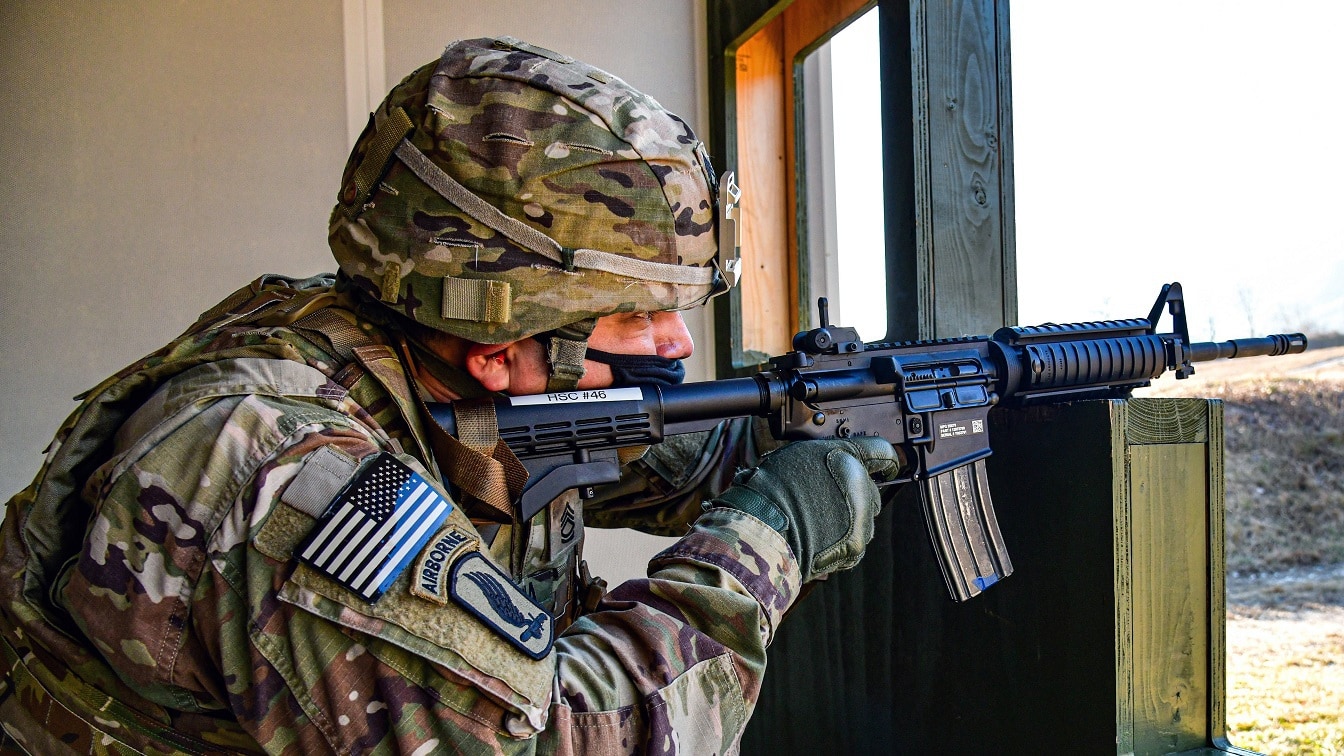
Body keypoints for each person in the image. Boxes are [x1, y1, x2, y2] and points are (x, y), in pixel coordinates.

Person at [0, 37, 900, 754]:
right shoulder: (282, 476)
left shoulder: (410, 346)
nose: (678, 346)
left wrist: (804, 423)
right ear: (503, 349)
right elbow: (560, 740)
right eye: (637, 319)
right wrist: (767, 541)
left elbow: (625, 451)